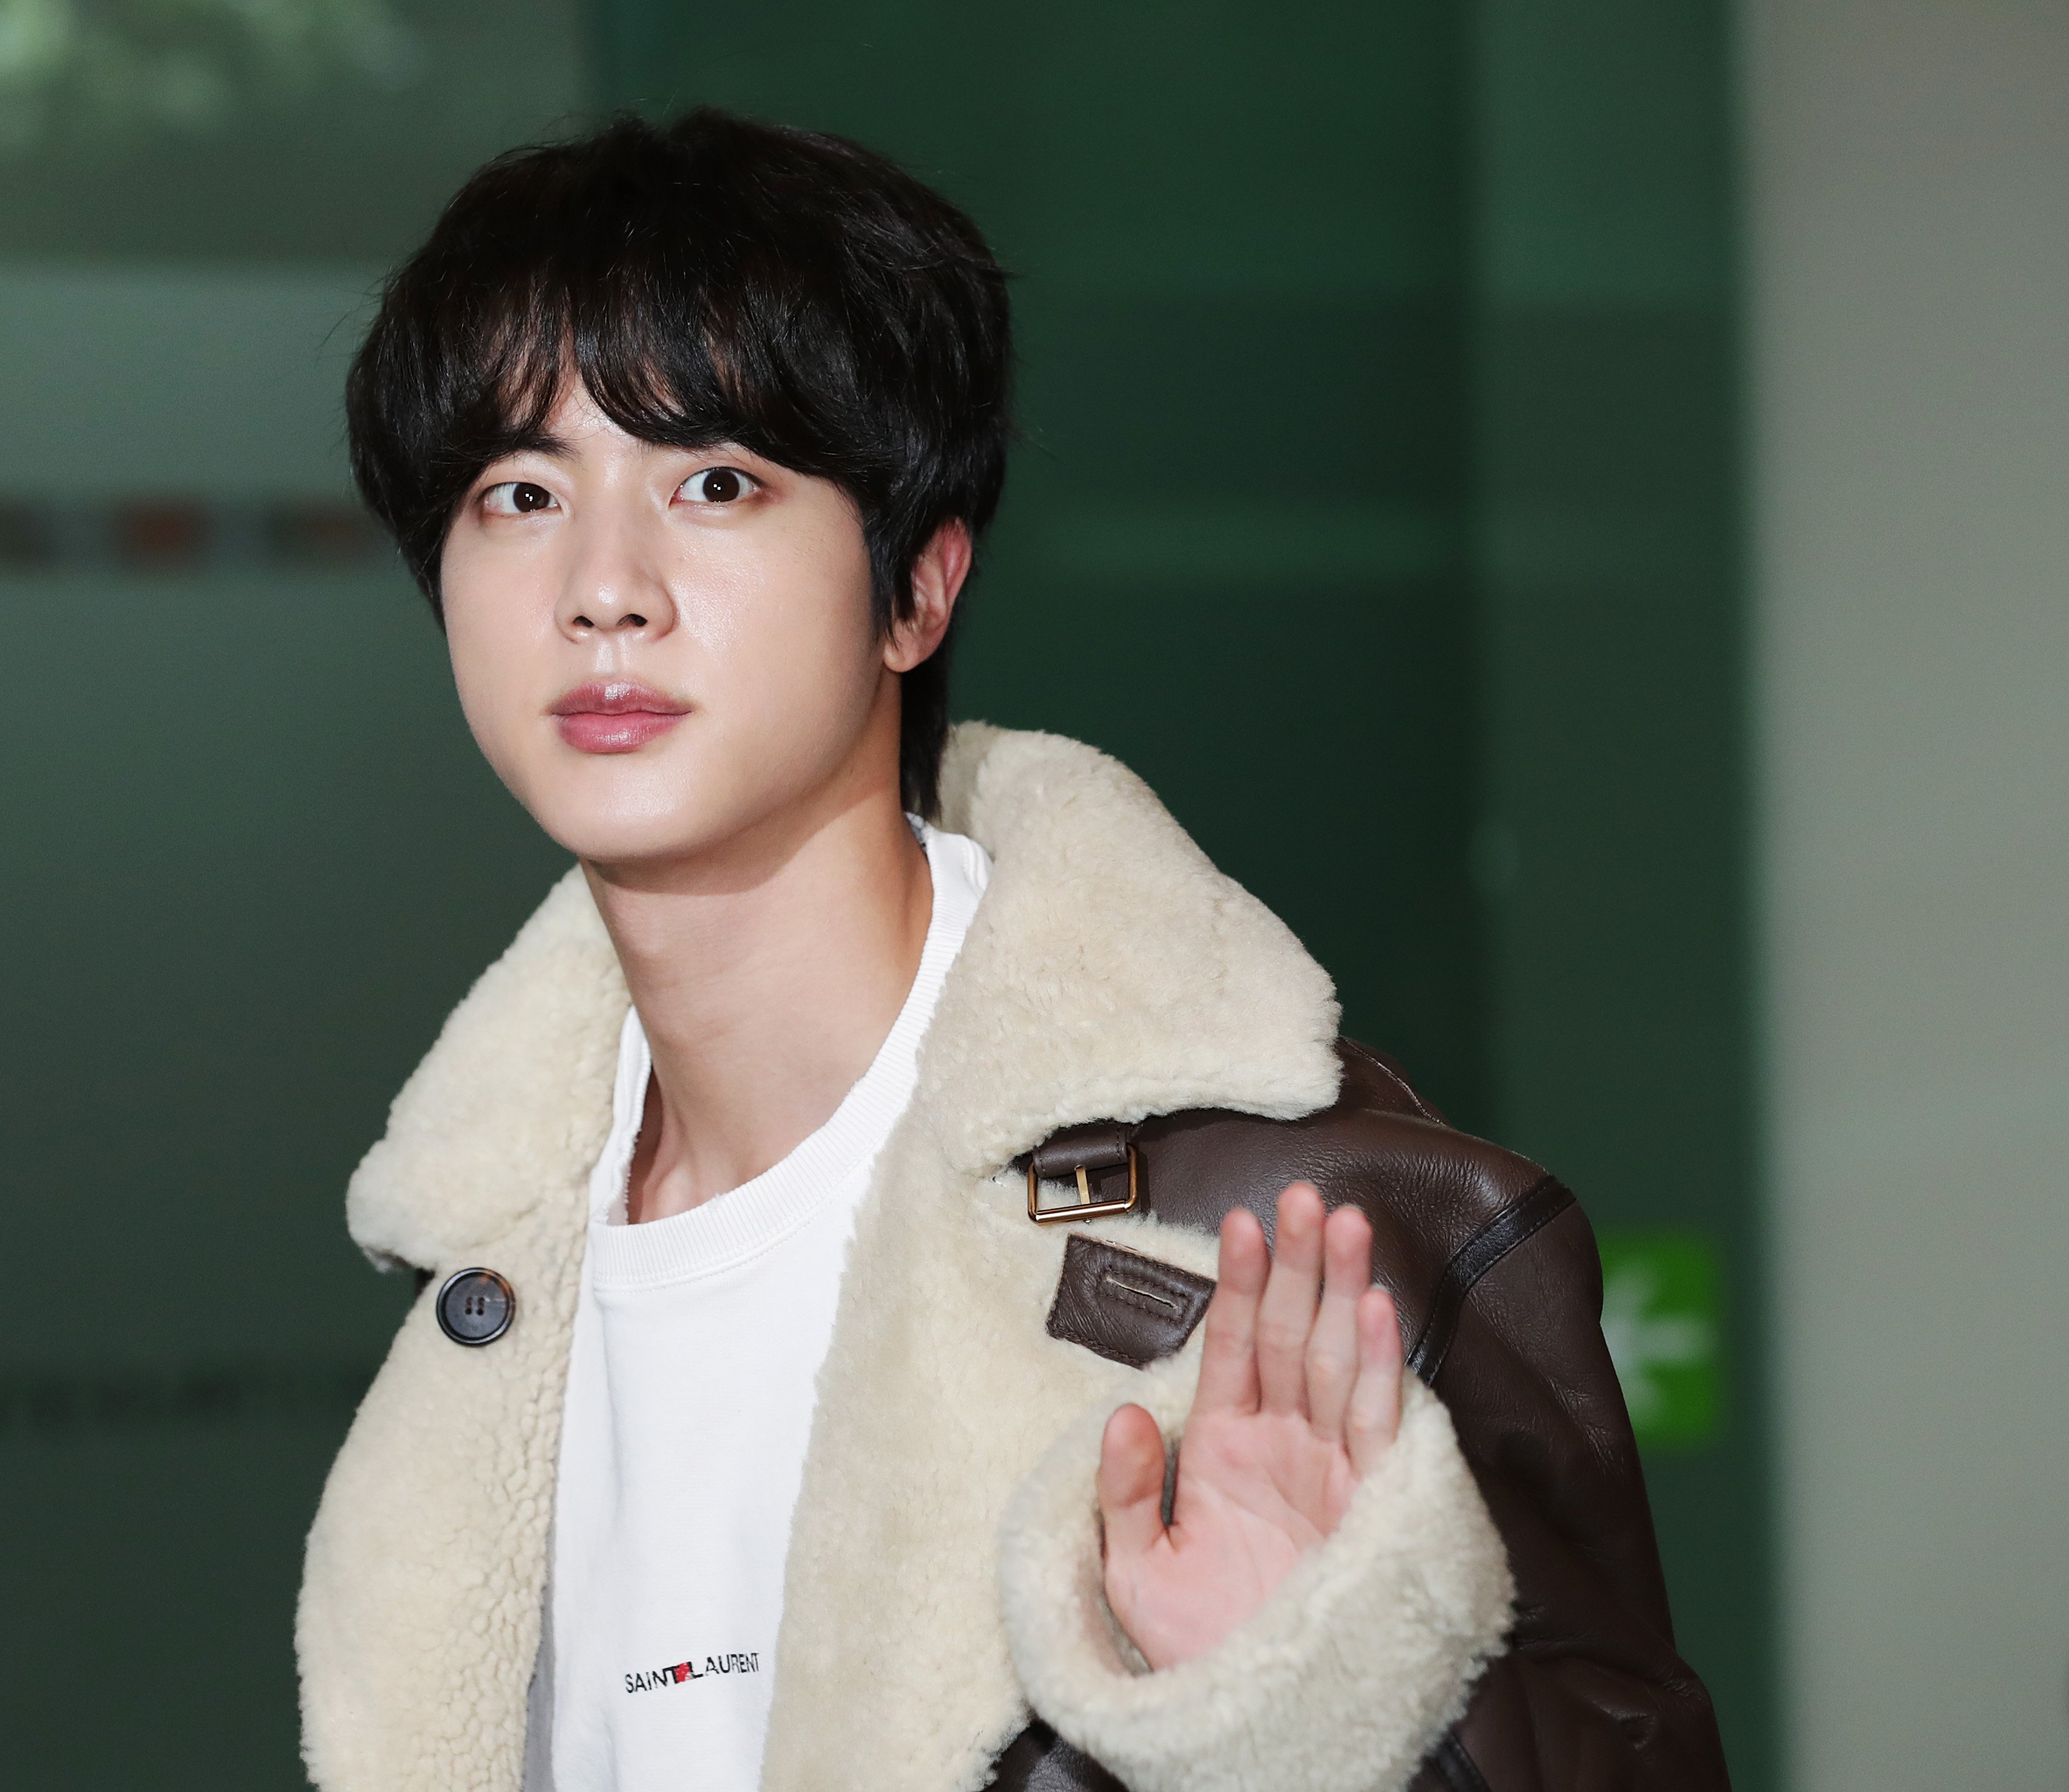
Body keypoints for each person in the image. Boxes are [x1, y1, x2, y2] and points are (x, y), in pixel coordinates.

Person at [296, 109, 1728, 1792]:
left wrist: (1319, 1708)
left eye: (717, 482)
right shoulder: (488, 1272)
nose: (604, 587)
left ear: (917, 591)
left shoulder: (1302, 1235)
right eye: (521, 494)